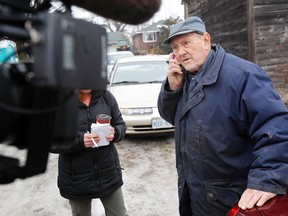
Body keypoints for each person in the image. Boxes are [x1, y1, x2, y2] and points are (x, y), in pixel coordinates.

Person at [157, 16, 288, 215]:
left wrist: (266, 180)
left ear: (206, 40)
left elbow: (276, 128)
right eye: (175, 47)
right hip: (195, 194)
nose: (181, 52)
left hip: (231, 200)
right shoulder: (186, 77)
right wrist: (172, 89)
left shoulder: (244, 75)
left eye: (186, 43)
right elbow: (172, 118)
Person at [56, 89, 127, 216]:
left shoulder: (106, 97)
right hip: (77, 181)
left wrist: (115, 133)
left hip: (108, 174)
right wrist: (79, 140)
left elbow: (120, 124)